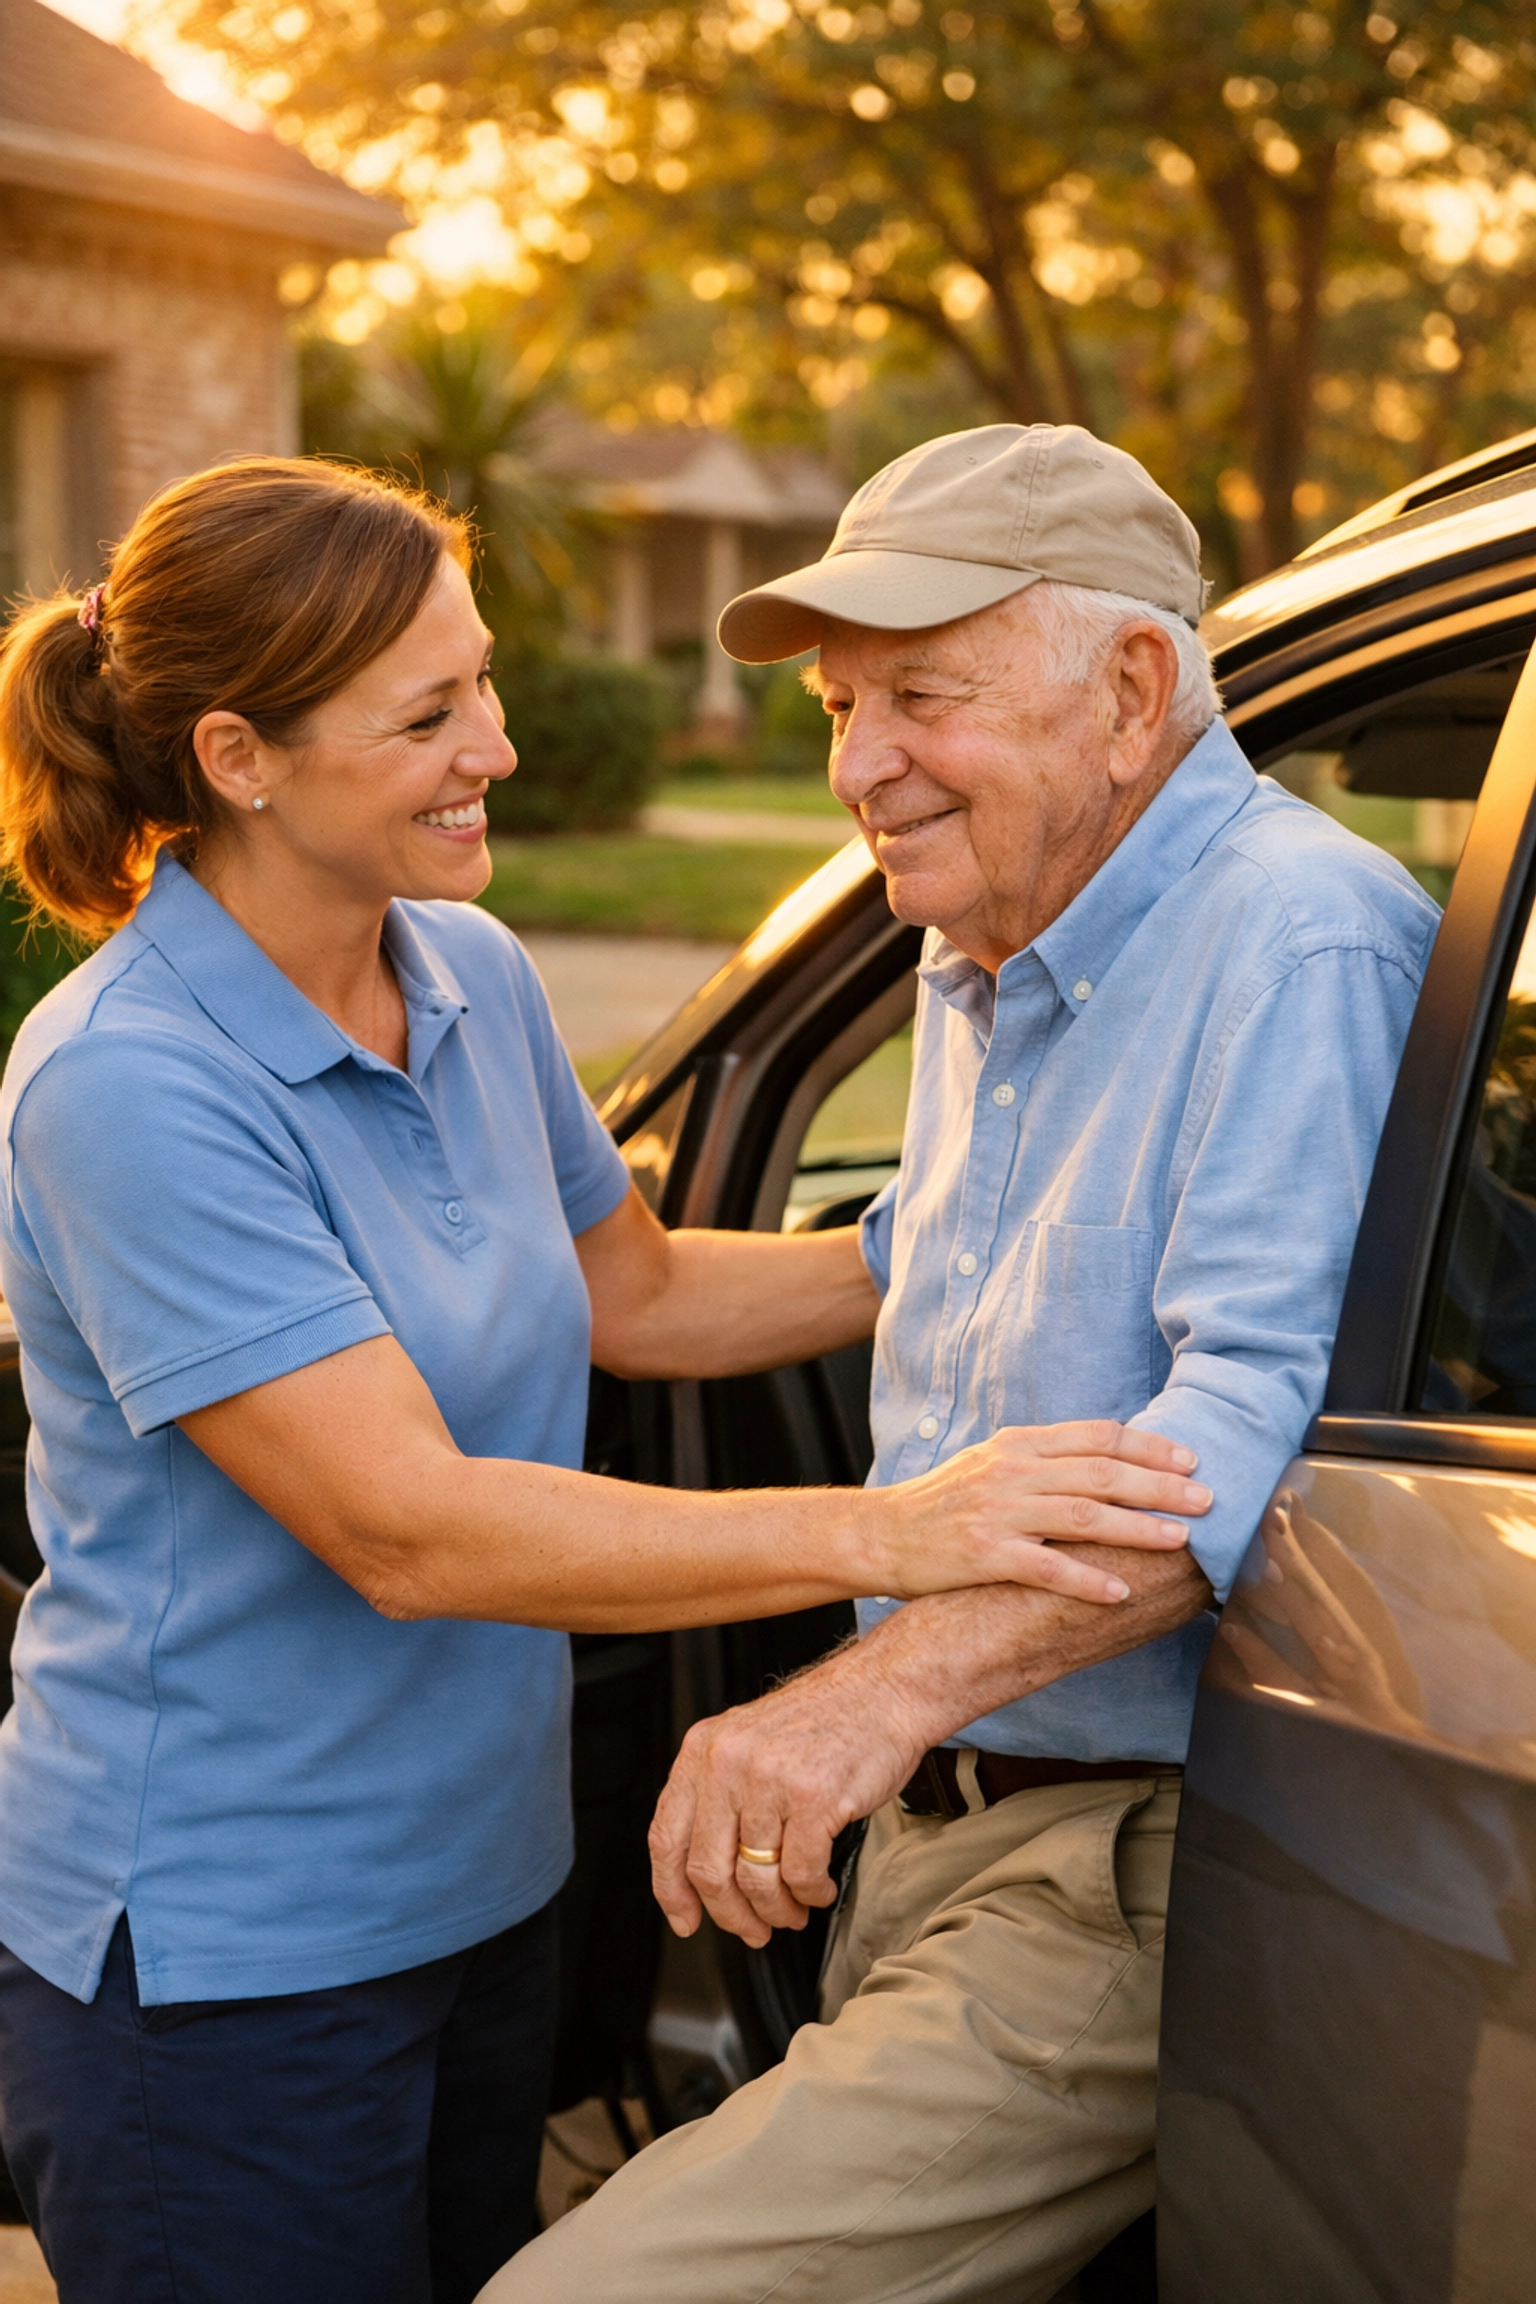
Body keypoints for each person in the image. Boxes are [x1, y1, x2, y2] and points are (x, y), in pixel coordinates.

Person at [0, 457, 1204, 2304]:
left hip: (485, 1896)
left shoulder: (463, 970)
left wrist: (990, 1233)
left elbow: (630, 1292)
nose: (495, 741)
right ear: (240, 757)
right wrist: (909, 1530)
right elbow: (407, 1527)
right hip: (225, 1961)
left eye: (481, 678)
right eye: (428, 714)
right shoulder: (127, 1085)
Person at [480, 423, 1443, 2304]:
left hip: (1121, 1868)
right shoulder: (995, 921)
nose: (859, 768)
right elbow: (936, 1253)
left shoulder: (1299, 941)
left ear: (1133, 690)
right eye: (842, 709)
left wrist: (856, 1701)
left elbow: (1231, 1447)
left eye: (921, 693)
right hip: (938, 1838)